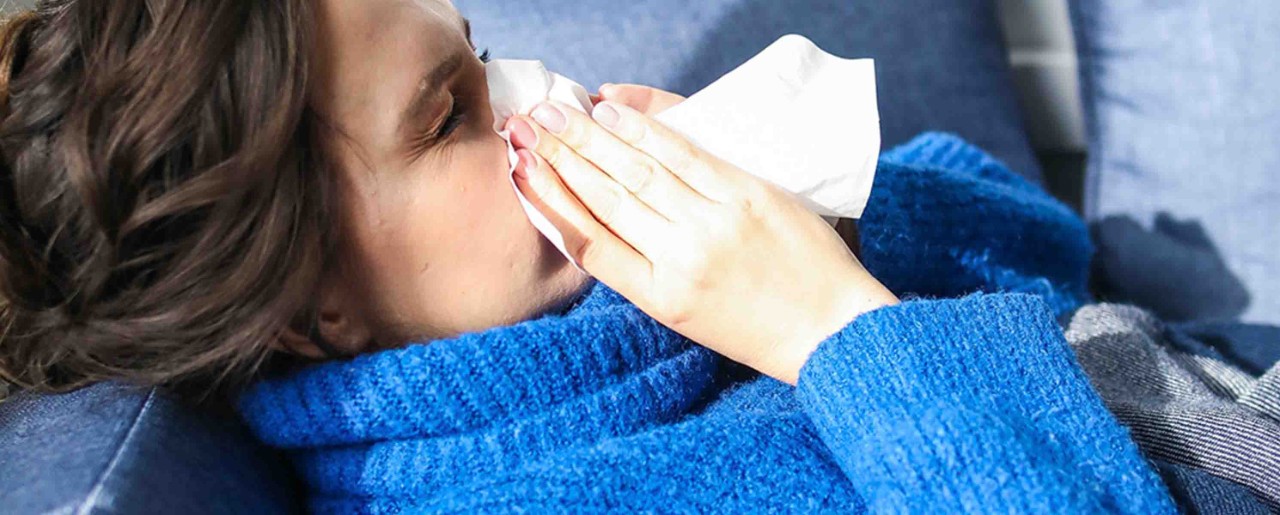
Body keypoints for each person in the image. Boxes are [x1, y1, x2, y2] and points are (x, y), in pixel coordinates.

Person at [1, 0, 1272, 512]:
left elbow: (1056, 257)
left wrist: (824, 224)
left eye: (481, 50)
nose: (533, 99)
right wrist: (836, 339)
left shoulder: (626, 294)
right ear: (306, 306)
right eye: (450, 114)